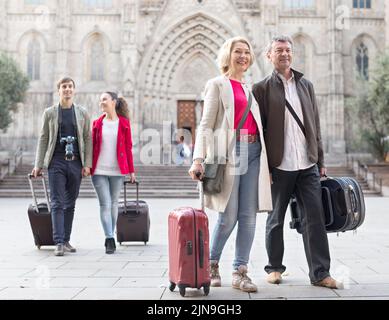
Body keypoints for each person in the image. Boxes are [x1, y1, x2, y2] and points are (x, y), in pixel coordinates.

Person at [252, 35, 343, 289]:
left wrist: (320, 159)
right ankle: (274, 268)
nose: (284, 54)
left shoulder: (306, 85)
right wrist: (265, 168)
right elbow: (260, 132)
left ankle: (320, 273)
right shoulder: (261, 89)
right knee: (275, 219)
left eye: (288, 50)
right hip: (279, 167)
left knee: (315, 219)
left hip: (307, 165)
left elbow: (314, 125)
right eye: (279, 50)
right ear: (269, 56)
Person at [188, 37, 272, 292]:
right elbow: (206, 124)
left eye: (247, 52)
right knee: (228, 215)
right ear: (228, 55)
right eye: (238, 51)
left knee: (249, 217)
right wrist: (198, 158)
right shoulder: (217, 84)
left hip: (255, 151)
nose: (243, 56)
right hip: (230, 151)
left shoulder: (250, 88)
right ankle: (211, 264)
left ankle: (240, 271)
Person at [31, 77, 92, 256]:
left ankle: (66, 240)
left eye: (70, 87)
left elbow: (87, 138)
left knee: (70, 203)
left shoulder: (82, 113)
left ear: (74, 90)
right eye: (64, 87)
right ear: (59, 90)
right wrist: (38, 165)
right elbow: (43, 138)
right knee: (57, 202)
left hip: (75, 162)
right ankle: (58, 242)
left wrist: (87, 164)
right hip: (55, 161)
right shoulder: (50, 112)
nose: (67, 90)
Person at [91, 92, 136, 254]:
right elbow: (91, 147)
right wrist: (87, 166)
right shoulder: (96, 123)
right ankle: (109, 237)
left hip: (118, 170)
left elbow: (128, 148)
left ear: (114, 102)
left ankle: (111, 233)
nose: (101, 101)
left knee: (114, 203)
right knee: (105, 203)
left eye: (104, 99)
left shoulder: (124, 123)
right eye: (100, 99)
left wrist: (131, 171)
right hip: (98, 170)